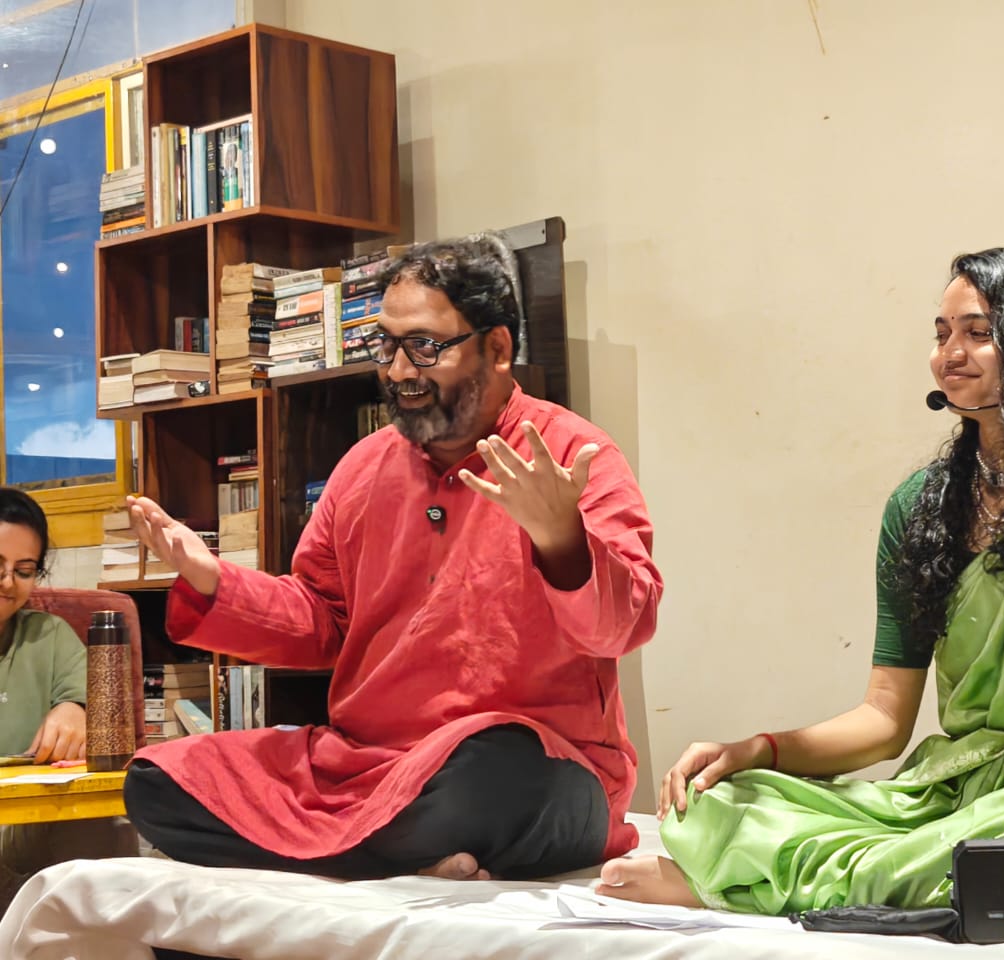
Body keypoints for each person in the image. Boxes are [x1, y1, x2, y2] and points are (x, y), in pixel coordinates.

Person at [599, 247, 1004, 935]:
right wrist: (752, 750)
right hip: (958, 789)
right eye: (941, 332)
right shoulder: (921, 506)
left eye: (978, 333)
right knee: (720, 802)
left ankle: (740, 886)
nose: (949, 354)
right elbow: (884, 720)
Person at [123, 233, 662, 881]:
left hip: (531, 764)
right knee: (161, 781)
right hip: (370, 766)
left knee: (491, 775)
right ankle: (404, 852)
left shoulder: (571, 456)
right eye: (387, 345)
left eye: (425, 347)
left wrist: (563, 541)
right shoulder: (363, 467)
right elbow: (321, 619)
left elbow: (626, 625)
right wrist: (213, 580)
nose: (400, 371)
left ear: (497, 349)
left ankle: (366, 848)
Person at [0, 487, 135, 907]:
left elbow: (92, 702)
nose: (8, 582)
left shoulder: (49, 634)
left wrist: (77, 708)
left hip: (27, 823)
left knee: (97, 821)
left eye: (24, 570)